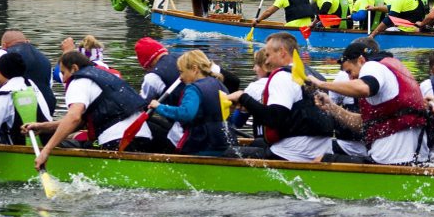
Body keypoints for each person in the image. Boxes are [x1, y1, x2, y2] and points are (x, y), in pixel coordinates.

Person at [25, 51, 153, 169]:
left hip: (118, 142)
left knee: (65, 144)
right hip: (144, 138)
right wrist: (43, 126)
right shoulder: (104, 76)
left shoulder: (79, 81)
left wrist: (46, 150)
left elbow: (74, 118)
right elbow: (79, 121)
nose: (63, 79)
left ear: (74, 68)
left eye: (63, 73)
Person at [309, 42, 428, 165]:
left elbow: (363, 88)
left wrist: (322, 84)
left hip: (391, 160)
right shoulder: (393, 67)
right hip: (413, 160)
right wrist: (331, 107)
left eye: (349, 71)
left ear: (361, 60)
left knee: (319, 161)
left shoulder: (372, 66)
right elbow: (363, 125)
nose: (350, 79)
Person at [226, 32, 334, 162]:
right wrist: (250, 107)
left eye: (268, 55)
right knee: (259, 144)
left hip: (293, 154)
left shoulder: (282, 76)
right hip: (322, 150)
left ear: (282, 52)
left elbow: (274, 118)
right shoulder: (316, 75)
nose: (266, 61)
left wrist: (243, 97)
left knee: (226, 153)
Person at [149, 50, 235, 156]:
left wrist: (159, 107)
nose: (180, 77)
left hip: (200, 146)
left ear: (194, 69)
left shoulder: (193, 89)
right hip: (224, 142)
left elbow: (186, 114)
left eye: (181, 72)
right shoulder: (220, 84)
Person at [326, 37, 381, 160]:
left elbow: (329, 112)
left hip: (350, 146)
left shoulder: (343, 75)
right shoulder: (386, 71)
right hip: (378, 146)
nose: (350, 77)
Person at [0, 30, 55, 112]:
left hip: (19, 106)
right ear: (27, 41)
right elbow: (49, 84)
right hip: (47, 105)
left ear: (4, 45)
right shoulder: (44, 58)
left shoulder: (2, 55)